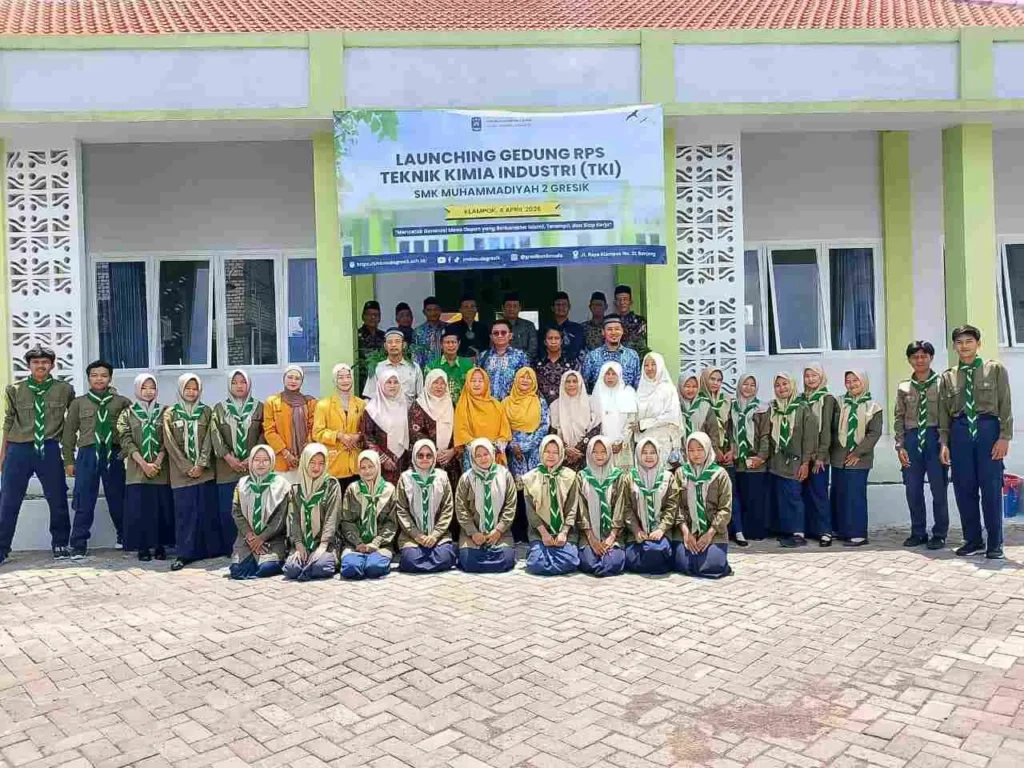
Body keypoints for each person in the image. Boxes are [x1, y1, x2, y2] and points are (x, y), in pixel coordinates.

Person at [939, 324, 1012, 560]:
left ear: (978, 344)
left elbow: (1005, 405)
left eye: (969, 341)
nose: (964, 346)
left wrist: (1004, 437)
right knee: (963, 488)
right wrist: (944, 443)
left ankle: (995, 544)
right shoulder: (948, 376)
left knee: (990, 488)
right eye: (959, 342)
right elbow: (943, 415)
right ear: (954, 346)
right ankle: (972, 540)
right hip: (960, 432)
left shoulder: (995, 370)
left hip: (987, 429)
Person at [0, 346, 75, 563]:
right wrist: (3, 454)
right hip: (19, 449)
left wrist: (69, 453)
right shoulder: (14, 389)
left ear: (52, 364)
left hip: (49, 447)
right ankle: (2, 548)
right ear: (29, 366)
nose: (40, 366)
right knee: (8, 500)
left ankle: (60, 542)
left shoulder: (64, 389)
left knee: (57, 497)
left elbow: (71, 423)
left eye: (45, 362)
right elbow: (8, 421)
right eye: (36, 362)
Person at [63, 359, 130, 556]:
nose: (99, 379)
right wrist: (68, 460)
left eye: (103, 375)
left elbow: (132, 429)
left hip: (114, 453)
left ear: (110, 378)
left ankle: (125, 536)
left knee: (118, 497)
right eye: (94, 375)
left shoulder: (122, 402)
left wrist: (126, 453)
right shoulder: (78, 403)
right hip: (88, 453)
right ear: (88, 378)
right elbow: (69, 433)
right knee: (84, 498)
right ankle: (78, 543)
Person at [164, 373, 223, 571]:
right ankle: (185, 553)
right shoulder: (170, 413)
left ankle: (209, 549)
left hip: (204, 472)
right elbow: (169, 443)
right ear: (181, 390)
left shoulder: (207, 412)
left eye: (195, 388)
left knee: (206, 511)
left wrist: (201, 463)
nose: (191, 392)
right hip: (181, 474)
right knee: (185, 514)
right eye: (188, 388)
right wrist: (186, 467)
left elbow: (209, 439)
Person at [895, 341, 948, 550]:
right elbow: (898, 417)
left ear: (931, 358)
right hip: (912, 438)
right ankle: (918, 532)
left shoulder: (942, 383)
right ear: (909, 360)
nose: (919, 360)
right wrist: (900, 446)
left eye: (924, 356)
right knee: (913, 489)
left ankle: (940, 533)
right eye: (915, 357)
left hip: (935, 437)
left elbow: (946, 415)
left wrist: (945, 442)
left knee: (938, 489)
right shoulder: (903, 387)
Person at [117, 374, 174, 562]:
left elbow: (168, 439)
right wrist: (143, 464)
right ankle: (142, 547)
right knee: (140, 509)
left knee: (160, 509)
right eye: (144, 387)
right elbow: (125, 439)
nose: (148, 391)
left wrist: (156, 463)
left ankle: (160, 546)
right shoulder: (128, 413)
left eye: (152, 387)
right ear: (137, 389)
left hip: (161, 470)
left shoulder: (165, 411)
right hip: (136, 470)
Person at [210, 368, 263, 551]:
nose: (239, 386)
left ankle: (251, 546)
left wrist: (252, 457)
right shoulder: (219, 409)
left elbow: (264, 435)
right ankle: (229, 547)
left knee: (250, 509)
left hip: (253, 468)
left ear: (249, 384)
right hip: (227, 469)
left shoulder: (259, 407)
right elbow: (215, 435)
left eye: (243, 382)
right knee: (228, 509)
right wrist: (229, 458)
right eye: (235, 382)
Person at [830, 371, 883, 547]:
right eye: (848, 381)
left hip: (860, 458)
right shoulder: (838, 403)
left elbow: (874, 433)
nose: (852, 384)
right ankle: (842, 530)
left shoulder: (873, 407)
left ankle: (858, 534)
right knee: (839, 494)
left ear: (864, 383)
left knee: (855, 496)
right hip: (838, 457)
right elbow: (831, 428)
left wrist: (857, 453)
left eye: (856, 381)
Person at [673, 431, 732, 578]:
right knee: (685, 564)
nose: (696, 454)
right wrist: (686, 533)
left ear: (707, 449)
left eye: (700, 449)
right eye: (691, 450)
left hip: (714, 531)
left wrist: (709, 534)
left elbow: (725, 509)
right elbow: (676, 506)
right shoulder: (681, 473)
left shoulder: (720, 474)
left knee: (711, 566)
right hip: (688, 530)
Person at [768, 373, 816, 548]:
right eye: (778, 385)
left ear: (792, 385)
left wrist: (805, 463)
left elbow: (809, 438)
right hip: (777, 461)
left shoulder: (802, 408)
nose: (782, 388)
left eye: (785, 384)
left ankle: (798, 533)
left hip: (796, 462)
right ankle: (787, 531)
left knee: (794, 496)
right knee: (782, 497)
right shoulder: (773, 408)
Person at [455, 438, 517, 573]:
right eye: (478, 455)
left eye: (486, 454)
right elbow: (461, 509)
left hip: (500, 533)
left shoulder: (504, 475)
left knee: (506, 561)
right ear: (472, 457)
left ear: (492, 454)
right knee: (468, 562)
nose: (483, 458)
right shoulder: (466, 478)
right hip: (472, 533)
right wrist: (473, 533)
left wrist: (499, 530)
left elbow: (510, 506)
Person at [228, 444, 290, 579]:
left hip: (272, 539)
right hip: (247, 538)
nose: (261, 464)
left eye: (265, 460)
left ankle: (277, 558)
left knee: (266, 568)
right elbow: (237, 512)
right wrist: (250, 536)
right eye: (256, 460)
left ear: (272, 462)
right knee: (236, 570)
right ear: (251, 462)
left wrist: (261, 538)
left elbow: (280, 518)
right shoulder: (242, 484)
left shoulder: (281, 485)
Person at [395, 439, 457, 573]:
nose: (424, 459)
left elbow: (447, 509)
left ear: (434, 456)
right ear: (414, 456)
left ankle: (432, 555)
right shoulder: (405, 478)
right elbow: (401, 510)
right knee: (409, 560)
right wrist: (417, 535)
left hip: (439, 536)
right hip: (411, 537)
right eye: (420, 455)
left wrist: (435, 535)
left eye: (429, 455)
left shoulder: (442, 477)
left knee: (445, 558)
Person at [521, 435, 580, 575]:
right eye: (547, 451)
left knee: (571, 562)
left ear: (561, 454)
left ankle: (550, 554)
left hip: (565, 533)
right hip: (540, 533)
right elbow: (531, 512)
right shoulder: (530, 478)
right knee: (536, 565)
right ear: (541, 452)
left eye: (555, 452)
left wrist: (564, 533)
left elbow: (572, 508)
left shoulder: (570, 476)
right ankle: (538, 551)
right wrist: (544, 534)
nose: (551, 456)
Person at [283, 443, 341, 581]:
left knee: (320, 566)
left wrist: (323, 546)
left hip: (326, 542)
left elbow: (332, 518)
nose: (317, 467)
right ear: (304, 462)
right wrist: (298, 545)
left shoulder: (331, 485)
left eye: (321, 463)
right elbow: (294, 519)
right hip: (303, 542)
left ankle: (315, 563)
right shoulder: (296, 489)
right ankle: (307, 564)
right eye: (312, 462)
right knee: (291, 569)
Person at [339, 450, 396, 579]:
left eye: (371, 466)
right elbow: (347, 521)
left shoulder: (389, 490)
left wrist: (375, 543)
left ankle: (373, 560)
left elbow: (391, 523)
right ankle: (359, 559)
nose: (367, 471)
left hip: (381, 544)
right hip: (355, 545)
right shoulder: (352, 490)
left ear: (378, 466)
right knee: (351, 569)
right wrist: (358, 543)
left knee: (374, 569)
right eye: (363, 467)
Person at [576, 435, 628, 577]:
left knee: (614, 562)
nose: (599, 455)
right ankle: (602, 565)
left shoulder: (618, 476)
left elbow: (620, 507)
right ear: (589, 453)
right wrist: (592, 539)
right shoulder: (582, 477)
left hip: (613, 535)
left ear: (610, 453)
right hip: (589, 535)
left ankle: (607, 563)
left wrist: (611, 537)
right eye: (595, 452)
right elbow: (582, 510)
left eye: (603, 451)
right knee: (589, 562)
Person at [624, 437, 676, 574]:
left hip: (660, 532)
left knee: (655, 552)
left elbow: (672, 507)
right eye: (644, 452)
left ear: (658, 454)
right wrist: (636, 530)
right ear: (638, 454)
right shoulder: (630, 478)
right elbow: (627, 508)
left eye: (652, 452)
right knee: (633, 556)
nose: (648, 456)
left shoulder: (667, 477)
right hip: (637, 534)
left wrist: (661, 529)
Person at [312, 363, 366, 492]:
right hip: (334, 464)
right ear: (335, 381)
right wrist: (339, 436)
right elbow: (317, 433)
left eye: (348, 377)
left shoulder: (361, 404)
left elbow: (367, 430)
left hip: (356, 463)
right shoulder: (323, 405)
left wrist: (357, 436)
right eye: (340, 377)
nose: (345, 380)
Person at [799, 364, 837, 545]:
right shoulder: (800, 399)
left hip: (819, 457)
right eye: (807, 376)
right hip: (802, 457)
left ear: (821, 377)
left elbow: (827, 430)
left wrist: (821, 455)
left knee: (820, 493)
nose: (810, 379)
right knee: (805, 493)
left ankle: (825, 532)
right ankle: (810, 529)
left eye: (814, 375)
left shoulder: (827, 399)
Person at [731, 373, 771, 543]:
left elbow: (765, 435)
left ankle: (755, 531)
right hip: (737, 461)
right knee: (738, 497)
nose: (748, 388)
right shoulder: (732, 408)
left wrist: (761, 457)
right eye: (745, 384)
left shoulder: (761, 408)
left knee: (755, 498)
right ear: (739, 385)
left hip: (755, 461)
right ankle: (739, 531)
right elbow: (728, 432)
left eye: (752, 385)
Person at [409, 369, 461, 491]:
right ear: (428, 383)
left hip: (450, 460)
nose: (439, 386)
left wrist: (452, 451)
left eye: (442, 383)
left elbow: (459, 430)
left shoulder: (452, 404)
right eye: (435, 382)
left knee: (448, 498)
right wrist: (432, 452)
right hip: (426, 459)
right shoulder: (419, 405)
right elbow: (414, 432)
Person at [264, 365, 317, 481]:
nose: (293, 381)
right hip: (281, 461)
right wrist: (286, 454)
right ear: (284, 378)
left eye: (297, 378)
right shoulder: (272, 402)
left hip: (305, 459)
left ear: (302, 382)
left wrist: (305, 450)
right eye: (290, 377)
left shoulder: (310, 402)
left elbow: (313, 428)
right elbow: (269, 431)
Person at [454, 367, 512, 471]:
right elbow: (462, 432)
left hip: (494, 454)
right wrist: (480, 447)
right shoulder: (463, 405)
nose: (477, 384)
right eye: (473, 381)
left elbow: (505, 432)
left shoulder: (497, 406)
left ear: (486, 383)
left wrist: (494, 446)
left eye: (480, 381)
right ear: (467, 383)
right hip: (473, 456)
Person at [361, 371, 410, 485]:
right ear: (381, 384)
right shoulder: (372, 409)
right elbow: (367, 437)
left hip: (402, 460)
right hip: (379, 463)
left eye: (395, 382)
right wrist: (383, 458)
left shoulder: (404, 406)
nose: (392, 386)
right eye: (388, 382)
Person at [503, 367, 550, 482]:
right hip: (514, 452)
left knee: (536, 488)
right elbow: (503, 428)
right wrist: (513, 445)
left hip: (535, 450)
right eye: (522, 377)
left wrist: (528, 445)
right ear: (516, 380)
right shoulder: (505, 402)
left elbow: (544, 425)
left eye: (529, 378)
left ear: (534, 382)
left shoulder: (540, 401)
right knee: (517, 489)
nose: (525, 380)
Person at [636, 352, 684, 466]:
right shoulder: (641, 390)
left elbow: (671, 417)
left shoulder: (668, 389)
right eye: (646, 365)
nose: (649, 368)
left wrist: (644, 424)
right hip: (643, 444)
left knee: (661, 478)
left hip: (662, 443)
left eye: (653, 364)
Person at [590, 361, 638, 471]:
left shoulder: (628, 393)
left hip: (623, 445)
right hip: (601, 446)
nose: (610, 377)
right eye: (607, 374)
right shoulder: (597, 394)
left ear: (619, 375)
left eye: (613, 374)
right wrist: (604, 443)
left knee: (623, 480)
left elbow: (631, 420)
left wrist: (621, 441)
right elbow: (594, 421)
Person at [550, 370, 598, 472]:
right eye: (568, 382)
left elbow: (596, 428)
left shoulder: (591, 402)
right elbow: (552, 432)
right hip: (564, 455)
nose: (571, 384)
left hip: (587, 453)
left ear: (580, 383)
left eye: (574, 381)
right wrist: (566, 449)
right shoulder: (555, 405)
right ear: (563, 384)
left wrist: (579, 449)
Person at [364, 328, 424, 404]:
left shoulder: (414, 368)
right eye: (390, 342)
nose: (393, 345)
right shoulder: (377, 368)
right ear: (385, 346)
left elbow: (421, 397)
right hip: (384, 414)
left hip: (408, 414)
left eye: (397, 341)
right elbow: (370, 397)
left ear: (404, 345)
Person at [581, 315, 641, 391]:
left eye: (617, 329)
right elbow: (583, 384)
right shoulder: (592, 356)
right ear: (603, 332)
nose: (613, 332)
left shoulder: (632, 355)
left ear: (622, 331)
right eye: (609, 329)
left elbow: (637, 384)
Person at [478, 319, 529, 401]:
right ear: (491, 337)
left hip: (511, 406)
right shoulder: (483, 356)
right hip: (488, 405)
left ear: (510, 335)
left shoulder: (520, 356)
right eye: (496, 333)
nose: (500, 335)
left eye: (503, 332)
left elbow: (526, 383)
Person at [426, 327, 474, 405]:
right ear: (441, 345)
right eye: (447, 342)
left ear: (459, 343)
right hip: (439, 409)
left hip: (463, 409)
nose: (450, 345)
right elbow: (428, 392)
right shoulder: (432, 366)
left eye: (453, 342)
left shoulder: (469, 365)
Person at [535, 327, 579, 404]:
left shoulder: (571, 363)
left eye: (557, 338)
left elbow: (578, 386)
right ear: (545, 341)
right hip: (541, 407)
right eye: (550, 338)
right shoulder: (537, 363)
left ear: (561, 341)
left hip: (565, 405)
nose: (553, 341)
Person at [539, 291, 585, 363]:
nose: (561, 307)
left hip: (572, 368)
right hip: (549, 368)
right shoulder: (545, 328)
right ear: (552, 308)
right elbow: (540, 351)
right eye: (558, 305)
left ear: (569, 307)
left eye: (564, 305)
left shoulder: (578, 329)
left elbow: (580, 350)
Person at [678, 374, 720, 450]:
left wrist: (709, 452)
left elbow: (714, 433)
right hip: (679, 456)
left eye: (694, 386)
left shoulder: (705, 406)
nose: (691, 390)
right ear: (680, 386)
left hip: (701, 454)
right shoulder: (673, 407)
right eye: (687, 386)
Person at [356, 300, 386, 392]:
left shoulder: (384, 336)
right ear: (363, 316)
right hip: (363, 382)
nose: (372, 317)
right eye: (369, 314)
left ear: (379, 318)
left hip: (381, 380)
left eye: (376, 315)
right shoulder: (356, 336)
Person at [447, 294, 489, 359]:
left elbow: (487, 348)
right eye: (466, 307)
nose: (469, 309)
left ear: (476, 309)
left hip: (480, 364)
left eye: (472, 306)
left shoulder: (484, 328)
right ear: (460, 310)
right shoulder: (451, 328)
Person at [614, 285, 648, 356]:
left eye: (625, 299)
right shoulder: (612, 321)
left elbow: (642, 345)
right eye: (619, 299)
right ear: (615, 303)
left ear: (631, 301)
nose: (622, 302)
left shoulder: (640, 321)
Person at [502, 292, 538, 361]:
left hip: (524, 365)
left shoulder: (529, 326)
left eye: (515, 306)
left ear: (519, 308)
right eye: (509, 306)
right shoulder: (496, 327)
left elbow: (533, 350)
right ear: (503, 308)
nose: (512, 309)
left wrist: (518, 362)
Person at [413, 296, 445, 369]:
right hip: (427, 371)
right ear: (424, 312)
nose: (433, 313)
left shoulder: (448, 328)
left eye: (436, 309)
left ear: (440, 310)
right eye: (429, 310)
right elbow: (416, 356)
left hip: (447, 370)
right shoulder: (418, 332)